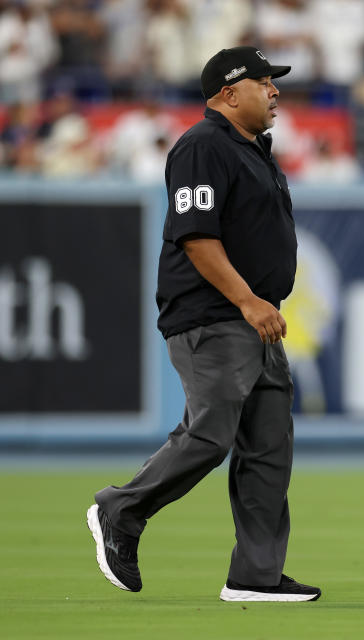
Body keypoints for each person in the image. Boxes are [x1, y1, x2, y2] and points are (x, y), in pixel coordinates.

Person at [86, 46, 321, 603]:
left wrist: (259, 304)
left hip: (257, 318)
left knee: (268, 448)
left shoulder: (254, 150)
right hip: (217, 314)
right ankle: (120, 509)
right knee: (212, 433)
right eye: (265, 82)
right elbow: (196, 237)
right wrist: (247, 300)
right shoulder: (202, 146)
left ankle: (255, 576)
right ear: (228, 92)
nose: (275, 91)